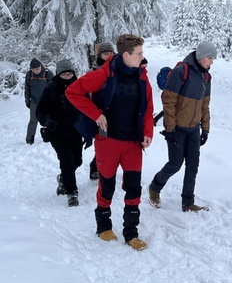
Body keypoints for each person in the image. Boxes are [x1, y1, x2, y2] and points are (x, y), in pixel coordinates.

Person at [66, 34, 154, 250]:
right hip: (109, 142)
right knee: (107, 186)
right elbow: (72, 92)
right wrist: (96, 114)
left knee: (133, 188)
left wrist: (147, 132)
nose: (142, 57)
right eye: (139, 53)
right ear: (126, 54)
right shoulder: (105, 74)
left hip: (133, 143)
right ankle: (103, 226)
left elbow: (148, 108)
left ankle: (131, 232)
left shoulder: (142, 76)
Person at [148, 40, 215, 213]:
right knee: (175, 164)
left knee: (193, 166)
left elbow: (204, 105)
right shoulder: (181, 72)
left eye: (213, 58)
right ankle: (155, 187)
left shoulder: (206, 77)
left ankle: (188, 203)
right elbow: (168, 102)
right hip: (177, 128)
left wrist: (205, 129)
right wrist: (170, 130)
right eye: (210, 58)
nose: (212, 62)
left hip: (194, 129)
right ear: (200, 56)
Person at [36, 59, 83, 207]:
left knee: (77, 161)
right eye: (64, 74)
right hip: (57, 131)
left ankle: (63, 177)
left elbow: (88, 107)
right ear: (58, 74)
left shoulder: (80, 87)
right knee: (67, 161)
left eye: (69, 73)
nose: (67, 76)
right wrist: (47, 121)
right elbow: (40, 111)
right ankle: (71, 193)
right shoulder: (50, 89)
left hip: (76, 130)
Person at [88, 42, 115, 181]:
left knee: (112, 140)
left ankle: (105, 166)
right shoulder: (93, 71)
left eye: (111, 53)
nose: (109, 56)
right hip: (98, 110)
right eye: (106, 54)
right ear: (100, 55)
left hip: (114, 110)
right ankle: (95, 166)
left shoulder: (116, 68)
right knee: (102, 140)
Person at [24, 58, 53, 144]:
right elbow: (27, 88)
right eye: (33, 69)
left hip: (46, 102)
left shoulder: (48, 74)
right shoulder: (29, 75)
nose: (36, 71)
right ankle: (30, 139)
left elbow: (53, 88)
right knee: (33, 120)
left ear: (40, 66)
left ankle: (50, 136)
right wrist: (27, 100)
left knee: (48, 119)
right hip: (34, 101)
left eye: (37, 69)